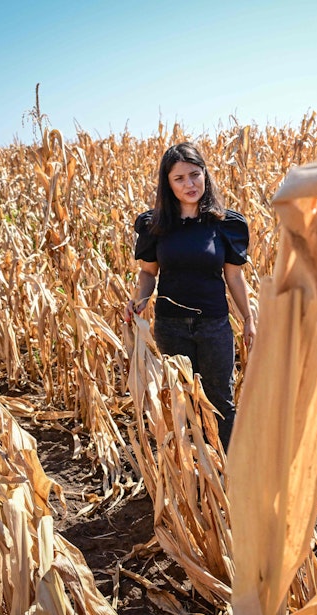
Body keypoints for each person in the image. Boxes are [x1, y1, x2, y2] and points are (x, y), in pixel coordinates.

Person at [125, 142, 255, 451]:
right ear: (167, 183)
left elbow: (234, 277)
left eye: (195, 175)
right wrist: (140, 300)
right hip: (170, 327)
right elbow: (148, 273)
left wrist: (249, 319)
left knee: (219, 399)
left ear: (206, 175)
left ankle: (228, 472)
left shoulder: (227, 224)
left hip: (213, 326)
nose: (189, 184)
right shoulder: (154, 225)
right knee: (179, 398)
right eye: (179, 178)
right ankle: (190, 472)